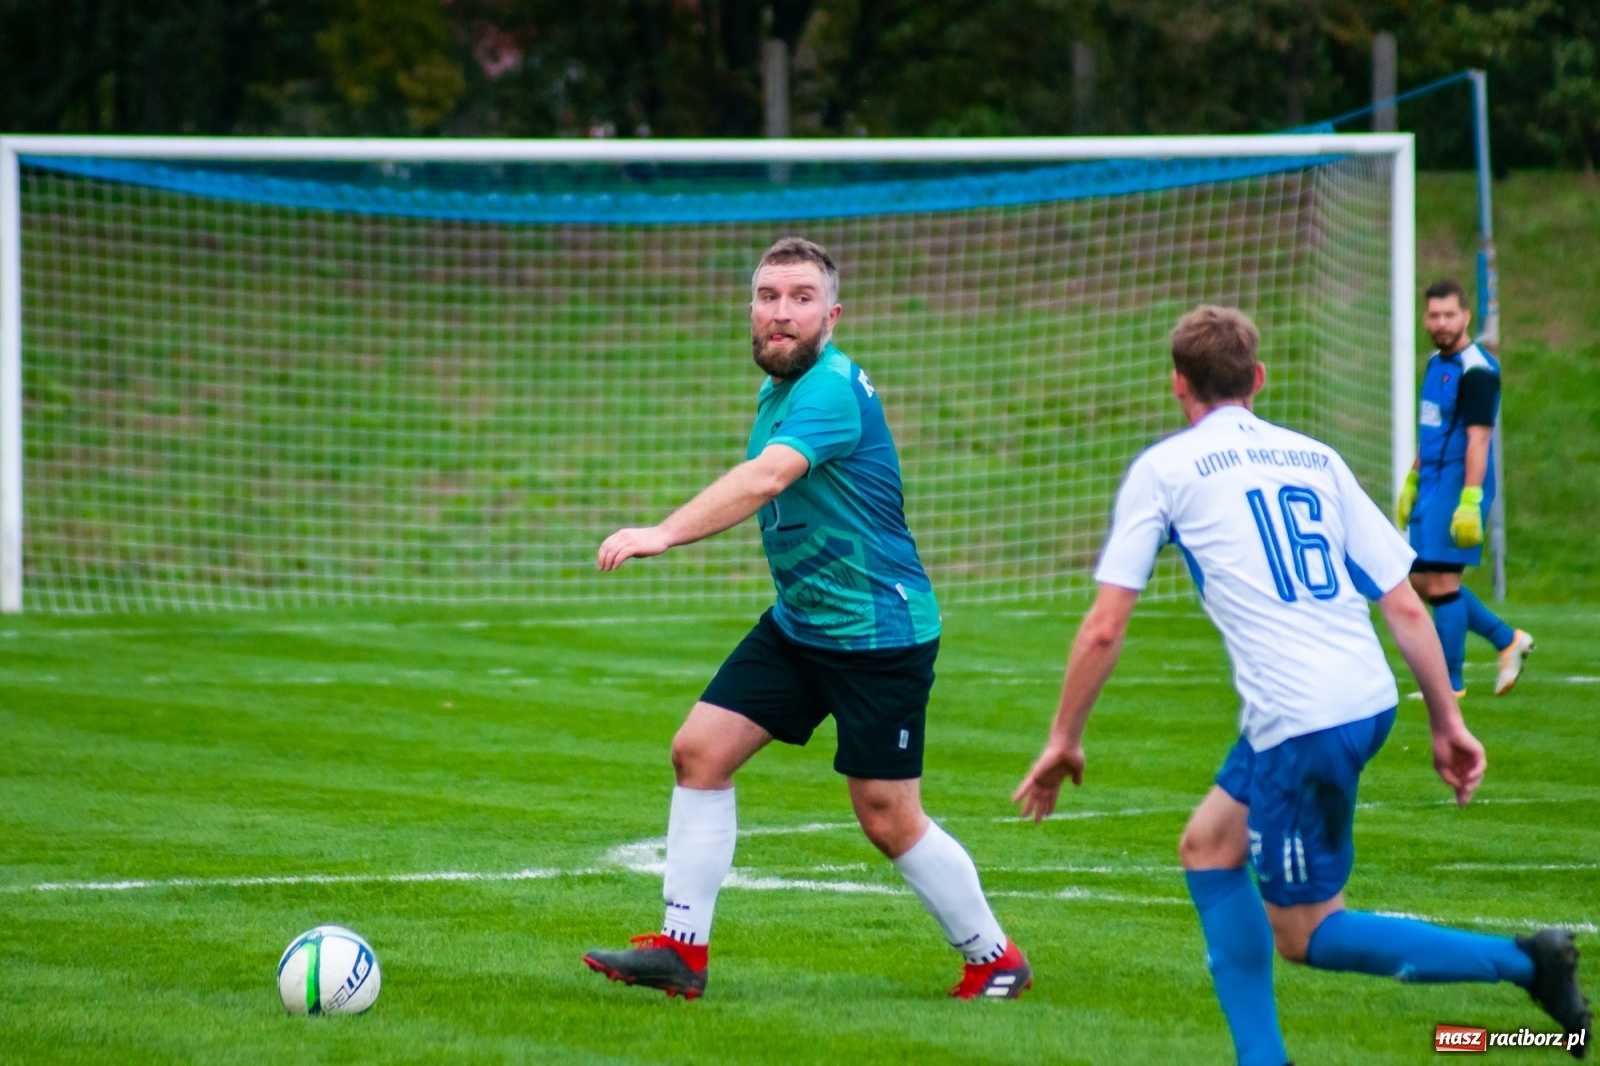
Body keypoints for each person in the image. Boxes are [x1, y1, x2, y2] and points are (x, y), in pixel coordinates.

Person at [1013, 306, 1590, 1065]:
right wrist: (1448, 721)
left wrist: (1063, 739)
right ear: (1258, 380)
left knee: (1307, 934)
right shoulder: (1315, 457)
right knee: (1208, 848)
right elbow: (1406, 601)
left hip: (1302, 720)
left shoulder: (1167, 467)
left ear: (1177, 385)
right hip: (1363, 697)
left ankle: (1528, 965)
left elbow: (1103, 627)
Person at [582, 237, 1030, 1001]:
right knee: (700, 752)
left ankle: (995, 959)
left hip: (876, 636)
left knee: (888, 818)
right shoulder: (781, 386)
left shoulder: (827, 389)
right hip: (803, 624)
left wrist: (662, 532)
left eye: (799, 298)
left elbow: (764, 479)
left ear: (832, 313)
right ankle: (682, 953)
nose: (780, 313)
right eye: (768, 297)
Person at [1398, 278, 1533, 697]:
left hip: (1459, 486)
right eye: (1434, 315)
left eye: (1449, 315)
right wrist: (1413, 478)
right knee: (1421, 581)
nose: (1441, 323)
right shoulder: (1434, 363)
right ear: (1426, 318)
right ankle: (1507, 639)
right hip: (1433, 483)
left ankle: (1448, 684)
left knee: (1440, 585)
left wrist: (1471, 501)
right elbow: (1431, 427)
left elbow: (1479, 439)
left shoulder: (1477, 370)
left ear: (1466, 316)